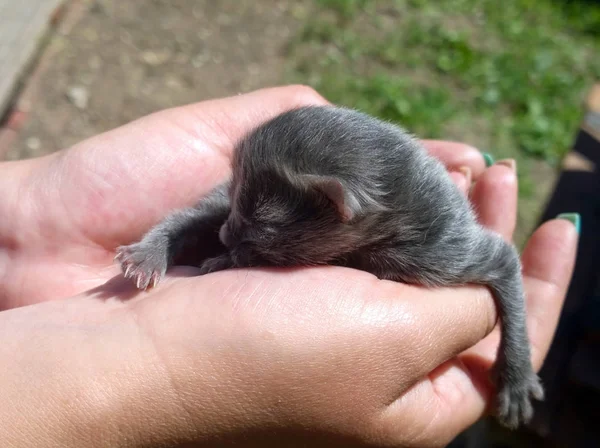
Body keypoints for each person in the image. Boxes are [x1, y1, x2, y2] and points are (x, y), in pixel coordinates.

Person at [0, 85, 578, 447]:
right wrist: (167, 250)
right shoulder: (273, 195)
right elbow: (219, 216)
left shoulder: (433, 247)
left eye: (259, 223)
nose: (230, 227)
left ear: (340, 209)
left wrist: (515, 360)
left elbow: (501, 261)